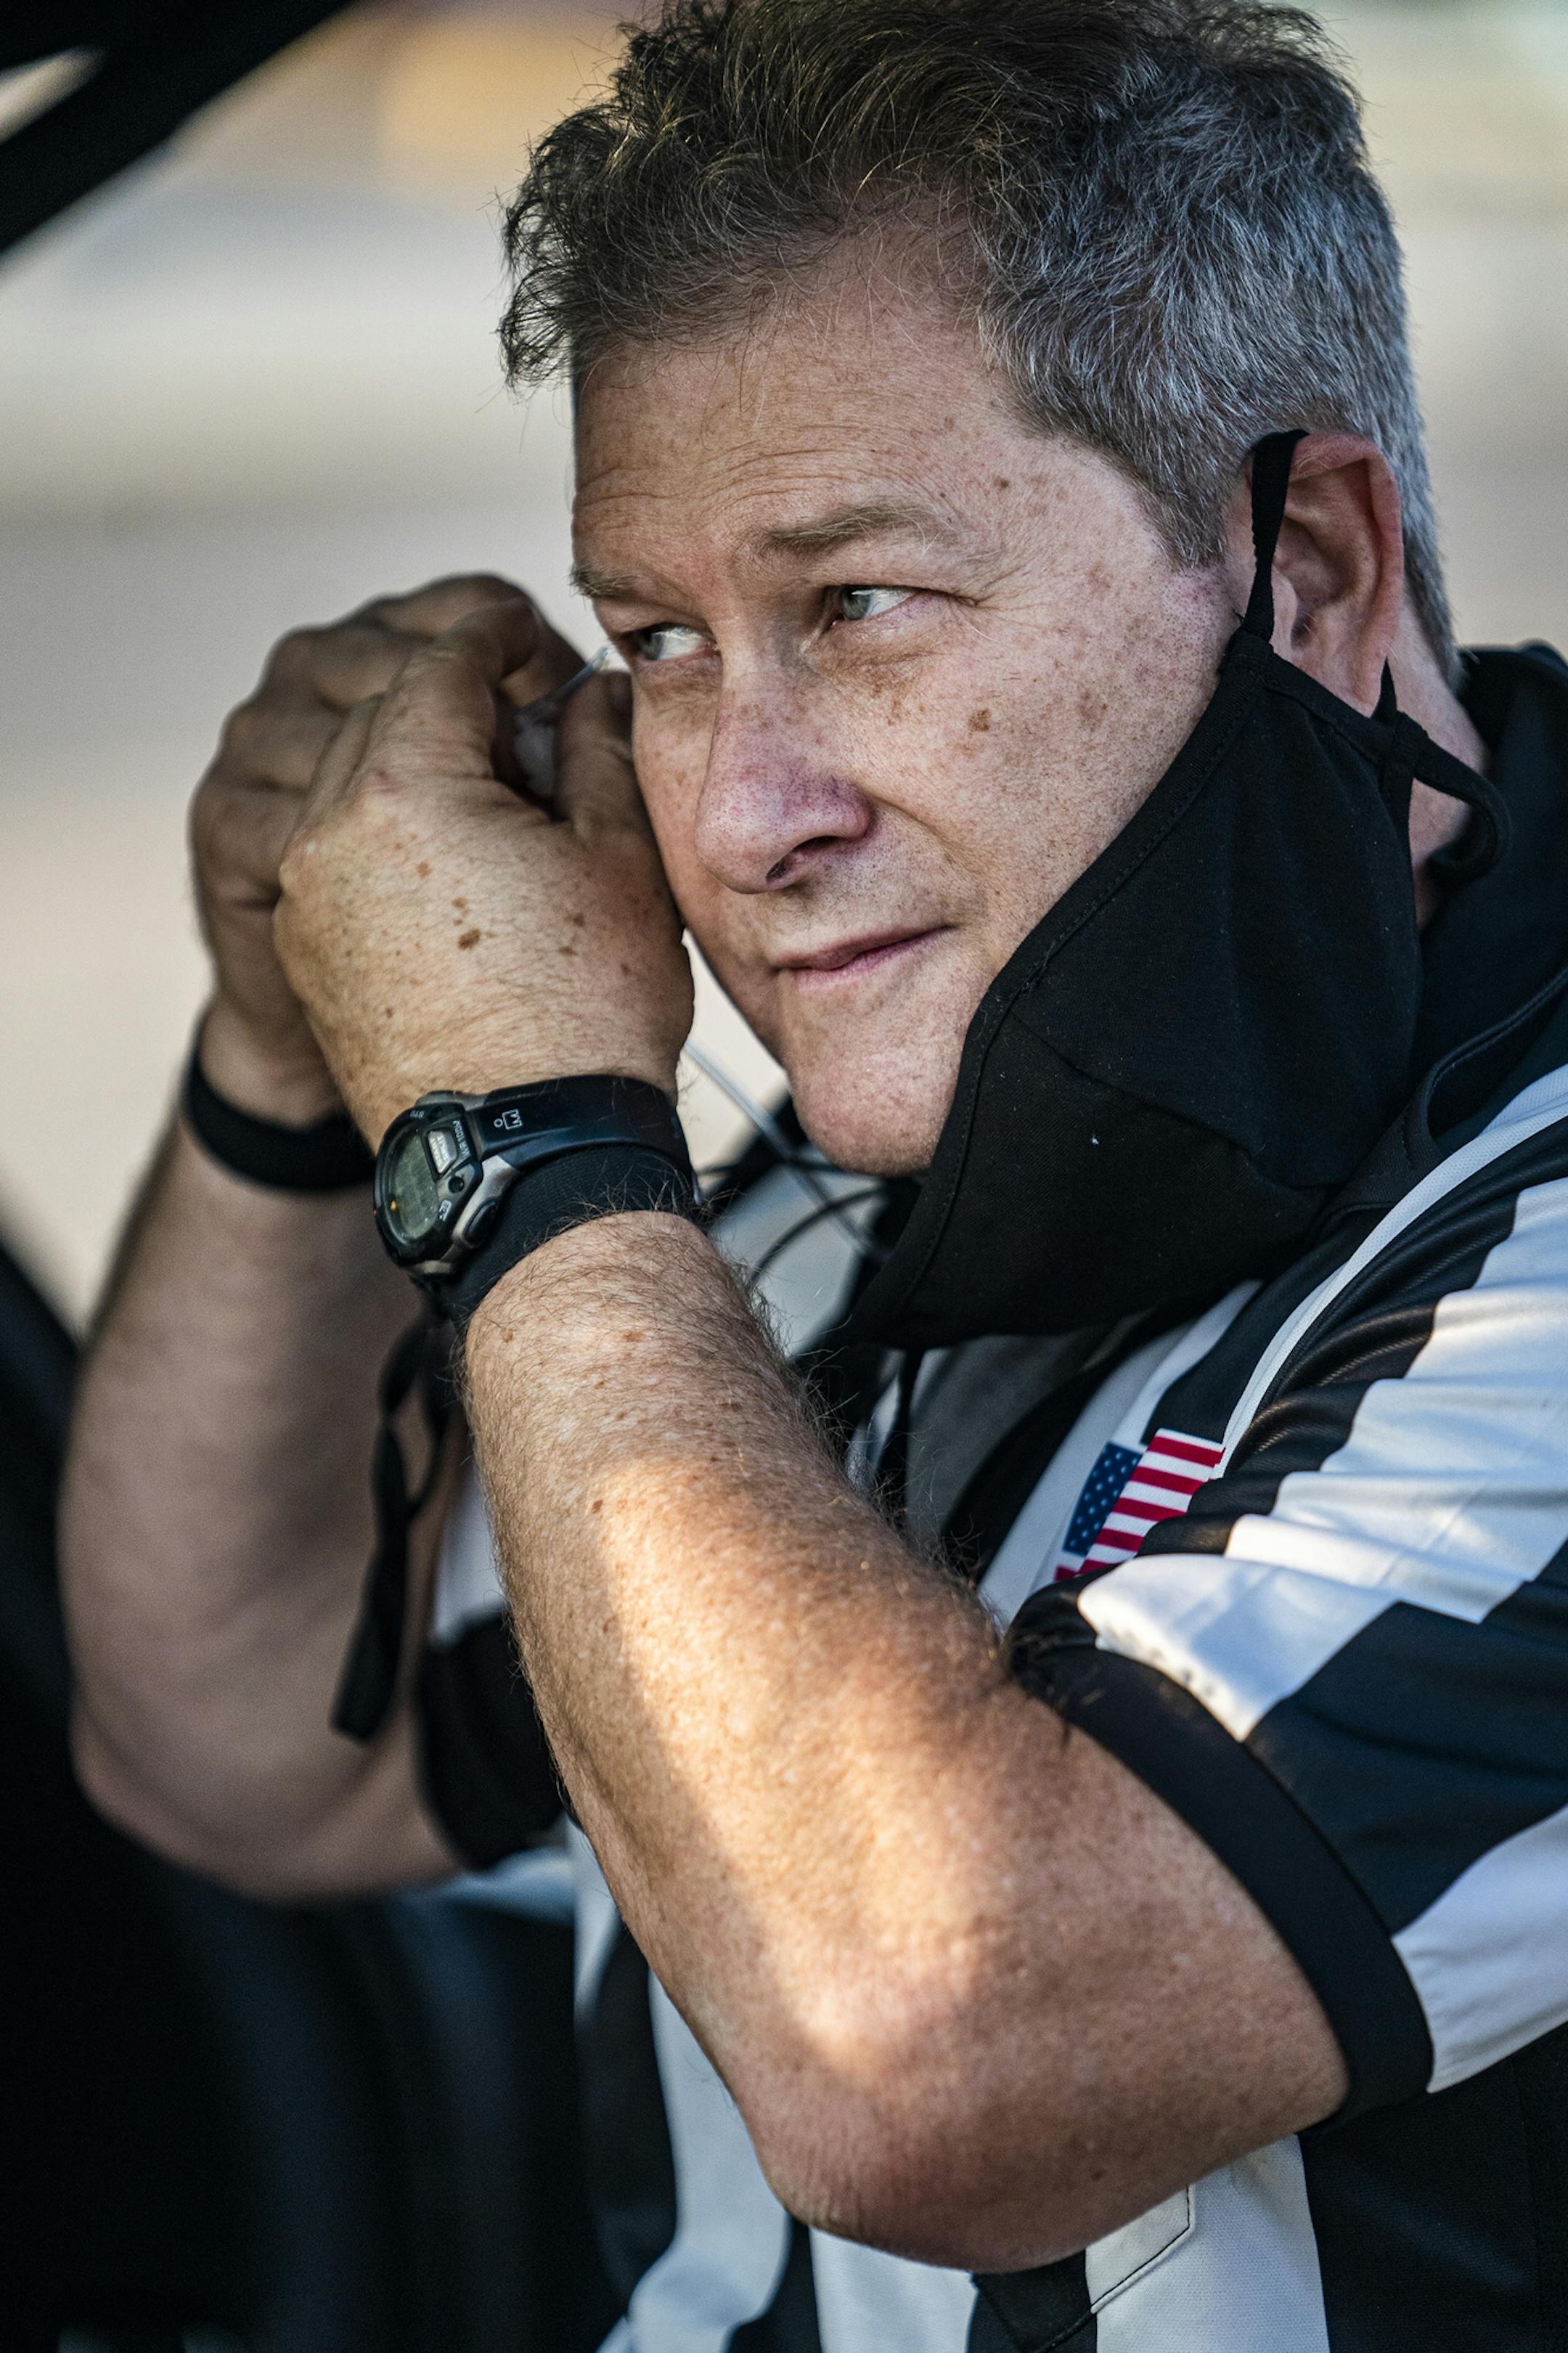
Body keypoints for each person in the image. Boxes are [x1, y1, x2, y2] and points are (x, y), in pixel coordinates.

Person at [60, 1, 1568, 2346]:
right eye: (661, 640)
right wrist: (286, 1065)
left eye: (855, 605)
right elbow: (237, 1742)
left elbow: (927, 2050)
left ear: (1310, 572)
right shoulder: (845, 1207)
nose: (745, 815)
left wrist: (526, 1148)